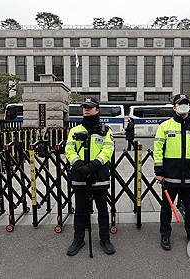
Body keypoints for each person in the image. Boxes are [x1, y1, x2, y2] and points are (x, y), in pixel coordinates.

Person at [154, 94, 190, 250]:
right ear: (174, 107)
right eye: (180, 104)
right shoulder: (165, 126)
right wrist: (159, 171)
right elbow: (158, 149)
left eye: (185, 103)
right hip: (170, 175)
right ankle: (165, 234)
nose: (183, 106)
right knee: (166, 208)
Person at [65, 97, 116, 256]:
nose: (86, 110)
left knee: (102, 210)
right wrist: (79, 164)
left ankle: (105, 238)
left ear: (97, 110)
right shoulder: (74, 130)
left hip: (98, 174)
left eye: (90, 107)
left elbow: (108, 150)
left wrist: (94, 165)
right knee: (80, 210)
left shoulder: (106, 130)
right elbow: (69, 150)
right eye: (84, 107)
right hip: (80, 175)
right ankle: (78, 239)